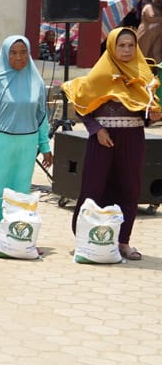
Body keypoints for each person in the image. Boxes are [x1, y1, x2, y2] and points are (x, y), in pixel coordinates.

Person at [62, 27, 160, 261]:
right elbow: (81, 106)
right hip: (102, 139)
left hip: (133, 139)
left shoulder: (143, 75)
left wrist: (152, 116)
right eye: (121, 45)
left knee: (130, 188)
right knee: (93, 188)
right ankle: (85, 239)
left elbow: (146, 110)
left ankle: (122, 242)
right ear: (112, 46)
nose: (126, 50)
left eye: (130, 45)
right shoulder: (99, 74)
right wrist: (97, 129)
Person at [0, 36, 53, 251]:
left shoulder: (35, 81)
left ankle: (16, 235)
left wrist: (45, 147)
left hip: (27, 144)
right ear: (5, 55)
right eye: (14, 52)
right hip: (1, 143)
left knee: (20, 190)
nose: (19, 57)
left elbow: (41, 116)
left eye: (23, 52)